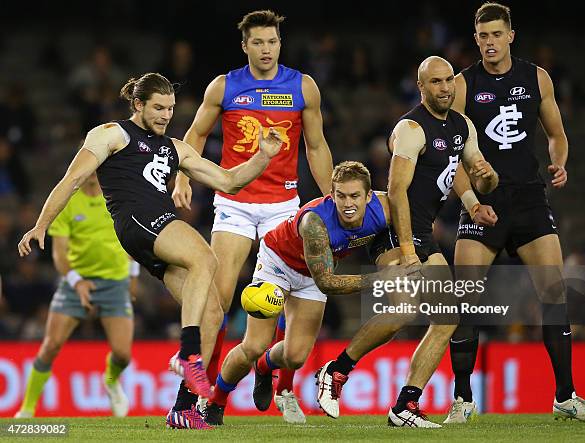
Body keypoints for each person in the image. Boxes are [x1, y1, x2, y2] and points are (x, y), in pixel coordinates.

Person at [17, 72, 284, 430]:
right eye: (158, 107)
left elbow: (228, 181)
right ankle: (189, 353)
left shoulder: (175, 147)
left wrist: (263, 156)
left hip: (154, 236)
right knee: (206, 257)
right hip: (139, 220)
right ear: (138, 104)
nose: (165, 115)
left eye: (170, 108)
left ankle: (183, 408)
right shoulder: (112, 133)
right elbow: (73, 179)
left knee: (213, 313)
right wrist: (41, 224)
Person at [315, 56, 499, 428]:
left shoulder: (462, 126)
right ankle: (336, 370)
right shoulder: (411, 129)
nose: (445, 87)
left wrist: (480, 195)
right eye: (435, 82)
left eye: (449, 80)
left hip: (424, 232)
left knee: (448, 317)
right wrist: (409, 249)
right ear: (422, 87)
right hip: (395, 230)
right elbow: (397, 192)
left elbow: (467, 172)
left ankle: (405, 406)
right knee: (403, 309)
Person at [171, 9, 333, 423]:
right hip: (236, 205)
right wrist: (183, 176)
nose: (266, 49)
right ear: (245, 46)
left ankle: (280, 385)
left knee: (292, 299)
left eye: (272, 41)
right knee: (217, 301)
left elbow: (315, 147)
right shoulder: (225, 86)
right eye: (258, 42)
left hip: (283, 205)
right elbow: (195, 134)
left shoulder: (303, 87)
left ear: (281, 43)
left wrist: (331, 194)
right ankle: (198, 396)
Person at [445, 2, 585, 423]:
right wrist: (471, 202)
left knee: (554, 295)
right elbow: (452, 153)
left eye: (497, 34)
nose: (491, 43)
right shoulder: (463, 85)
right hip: (483, 202)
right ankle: (462, 399)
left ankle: (565, 396)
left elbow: (557, 135)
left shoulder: (536, 78)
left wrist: (560, 162)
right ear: (475, 39)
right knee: (465, 301)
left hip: (529, 198)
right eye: (483, 36)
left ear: (511, 35)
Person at [201, 161, 413, 426]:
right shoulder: (315, 222)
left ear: (369, 196)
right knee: (253, 345)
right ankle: (215, 401)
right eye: (341, 196)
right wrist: (382, 277)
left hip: (312, 274)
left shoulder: (384, 209)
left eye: (355, 196)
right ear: (331, 194)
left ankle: (265, 367)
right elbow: (327, 283)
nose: (348, 204)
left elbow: (412, 223)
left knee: (295, 357)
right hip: (278, 263)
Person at [14, 172, 137, 418]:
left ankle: (111, 381)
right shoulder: (67, 202)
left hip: (115, 282)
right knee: (50, 345)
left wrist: (133, 275)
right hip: (75, 282)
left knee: (123, 354)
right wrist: (77, 282)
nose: (91, 169)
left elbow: (131, 238)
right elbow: (59, 254)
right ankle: (26, 409)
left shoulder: (118, 195)